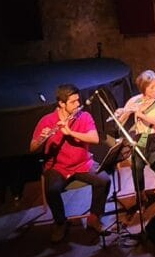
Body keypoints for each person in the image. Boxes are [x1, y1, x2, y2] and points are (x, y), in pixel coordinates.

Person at [30, 84, 111, 242]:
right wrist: (42, 139)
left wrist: (70, 132)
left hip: (82, 164)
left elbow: (94, 138)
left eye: (78, 100)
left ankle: (94, 218)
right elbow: (32, 147)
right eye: (73, 102)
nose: (78, 104)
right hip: (58, 167)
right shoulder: (47, 120)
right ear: (61, 103)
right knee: (52, 190)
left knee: (104, 180)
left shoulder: (84, 116)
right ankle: (61, 222)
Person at [115, 70, 155, 204]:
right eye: (151, 87)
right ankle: (140, 193)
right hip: (143, 138)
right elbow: (120, 123)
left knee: (154, 159)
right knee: (136, 164)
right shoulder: (135, 101)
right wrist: (122, 113)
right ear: (143, 88)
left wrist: (140, 114)